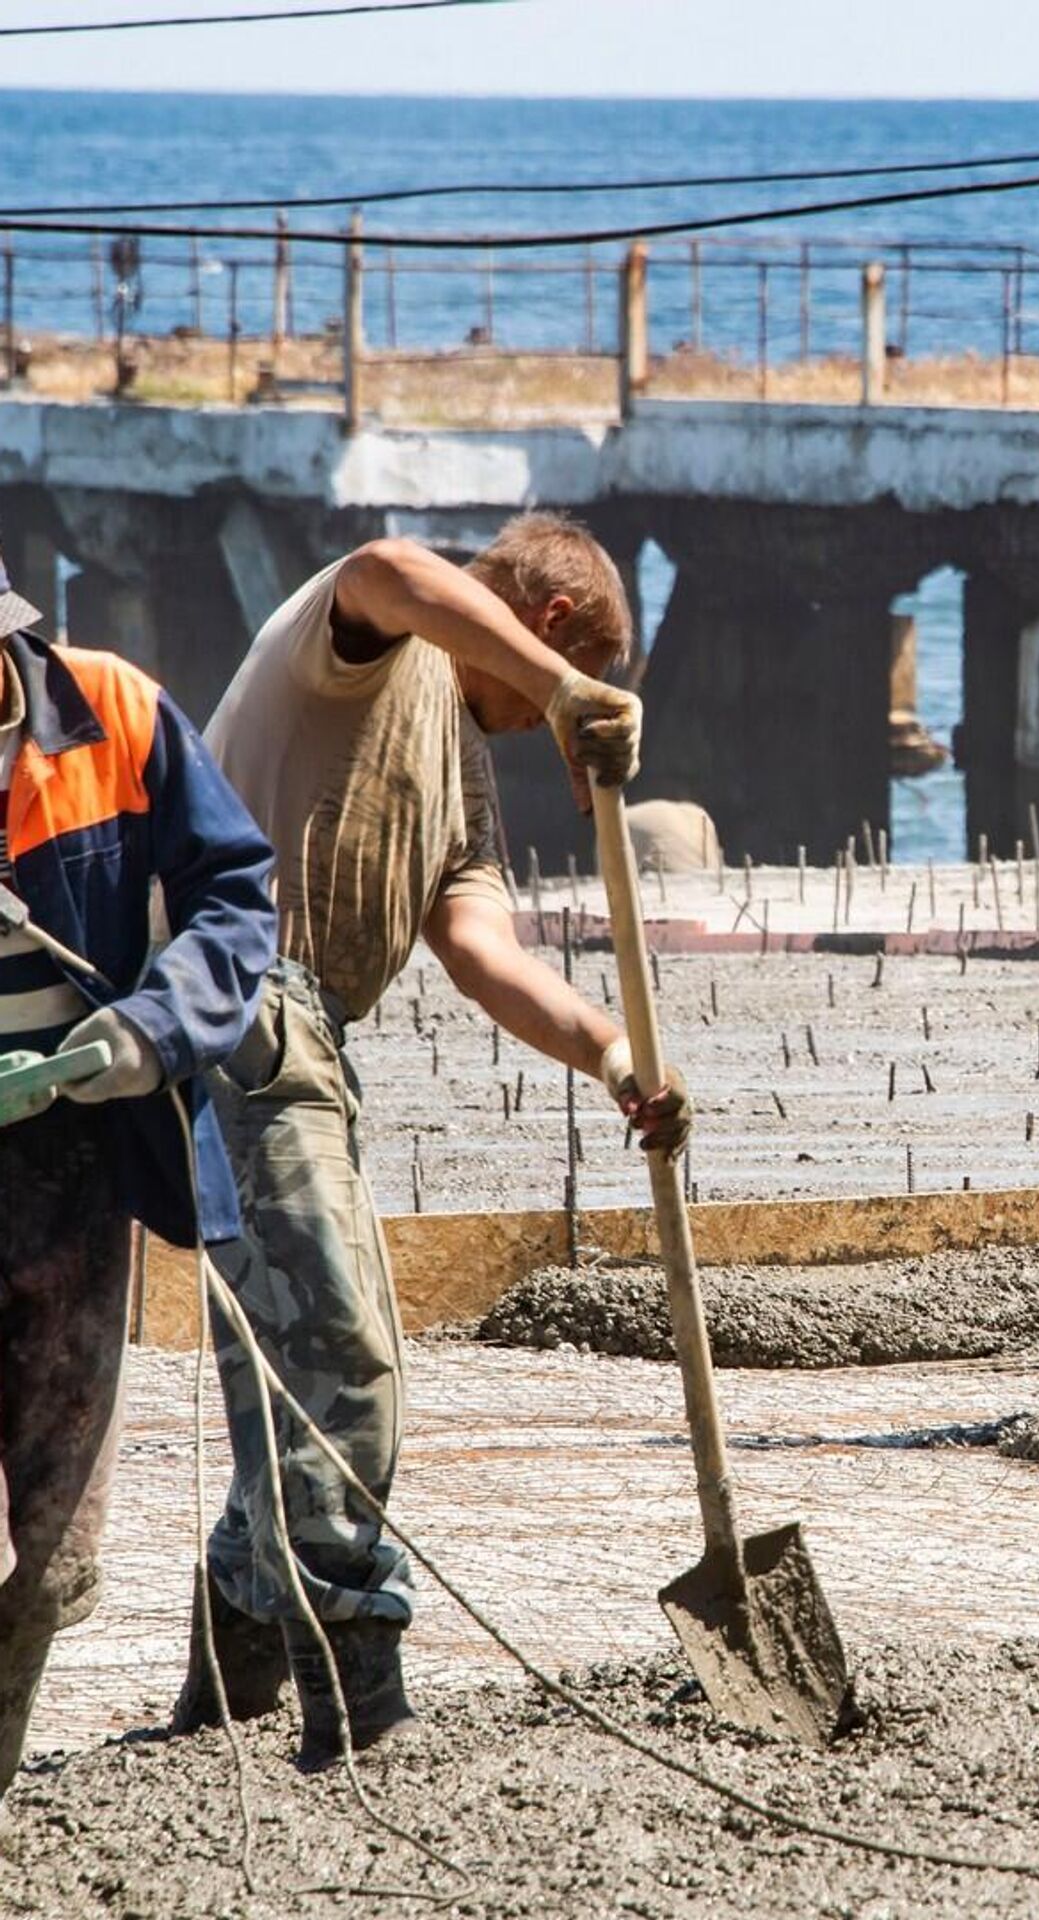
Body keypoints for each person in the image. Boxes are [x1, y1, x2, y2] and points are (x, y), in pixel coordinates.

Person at [174, 512, 689, 1769]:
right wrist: (566, 689)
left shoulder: (459, 767)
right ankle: (359, 1701)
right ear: (552, 626)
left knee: (298, 1360)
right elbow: (396, 569)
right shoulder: (365, 637)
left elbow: (483, 955)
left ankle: (227, 1676)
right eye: (566, 676)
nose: (543, 722)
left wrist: (618, 1056)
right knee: (343, 1350)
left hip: (313, 1039)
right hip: (239, 1001)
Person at [0, 539, 276, 1812]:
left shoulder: (115, 710)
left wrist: (154, 1027)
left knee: (55, 1558)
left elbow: (233, 894)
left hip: (77, 1170)